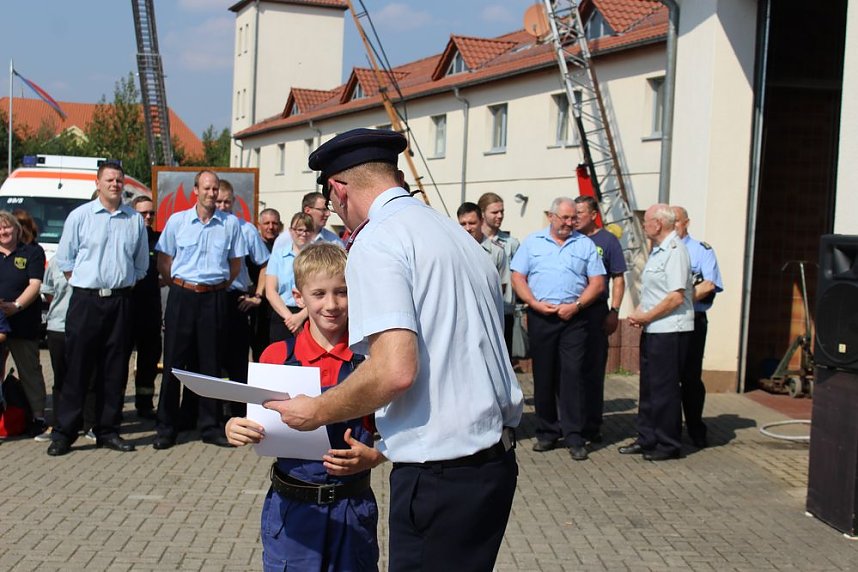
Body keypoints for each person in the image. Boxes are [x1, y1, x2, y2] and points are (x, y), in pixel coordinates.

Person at [265, 128, 523, 571]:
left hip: (440, 473)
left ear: (338, 190)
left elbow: (393, 370)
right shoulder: (453, 233)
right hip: (491, 463)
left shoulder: (379, 240)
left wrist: (318, 411)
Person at [226, 243, 382, 571]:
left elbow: (403, 428)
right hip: (293, 511)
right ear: (299, 297)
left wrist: (378, 456)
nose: (332, 304)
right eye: (319, 294)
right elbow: (256, 422)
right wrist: (235, 426)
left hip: (352, 509)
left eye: (342, 292)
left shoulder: (372, 358)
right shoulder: (276, 357)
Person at [48, 162, 149, 456]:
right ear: (97, 182)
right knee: (76, 368)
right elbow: (65, 261)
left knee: (114, 370)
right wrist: (86, 284)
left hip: (120, 302)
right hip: (86, 301)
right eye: (109, 179)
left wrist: (118, 285)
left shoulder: (133, 220)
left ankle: (107, 430)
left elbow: (141, 264)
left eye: (119, 180)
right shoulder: (80, 216)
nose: (115, 184)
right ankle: (64, 432)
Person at [154, 170, 247, 450]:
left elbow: (234, 265)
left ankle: (210, 426)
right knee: (173, 363)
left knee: (210, 364)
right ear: (196, 189)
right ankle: (166, 428)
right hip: (182, 296)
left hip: (214, 298)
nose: (211, 193)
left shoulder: (230, 224)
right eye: (206, 188)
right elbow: (164, 260)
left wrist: (214, 286)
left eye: (215, 189)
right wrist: (183, 285)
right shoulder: (177, 221)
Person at [511, 197, 605, 461]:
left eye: (573, 217)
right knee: (544, 375)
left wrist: (576, 305)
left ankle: (574, 435)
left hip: (574, 318)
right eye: (564, 217)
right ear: (551, 216)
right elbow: (517, 276)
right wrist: (533, 303)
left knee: (572, 375)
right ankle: (547, 432)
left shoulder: (585, 244)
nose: (569, 222)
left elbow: (597, 283)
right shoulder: (532, 243)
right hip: (542, 317)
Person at [618, 204, 693, 461]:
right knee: (649, 387)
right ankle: (647, 437)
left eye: (647, 220)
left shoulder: (675, 251)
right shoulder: (658, 250)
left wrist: (647, 316)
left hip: (670, 330)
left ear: (658, 224)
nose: (644, 225)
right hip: (654, 328)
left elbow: (675, 297)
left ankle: (667, 443)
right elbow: (654, 292)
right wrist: (641, 312)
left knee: (665, 389)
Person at [574, 195, 627, 442]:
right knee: (570, 371)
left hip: (596, 312)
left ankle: (592, 426)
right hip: (571, 312)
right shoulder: (570, 239)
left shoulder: (607, 241)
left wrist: (614, 311)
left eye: (580, 213)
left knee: (593, 372)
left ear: (593, 214)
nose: (574, 218)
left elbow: (618, 278)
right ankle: (570, 423)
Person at [216, 180, 270, 417]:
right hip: (210, 296)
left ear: (235, 202)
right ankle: (210, 411)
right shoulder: (206, 226)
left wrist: (257, 295)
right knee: (210, 357)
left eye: (228, 201)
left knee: (237, 359)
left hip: (236, 299)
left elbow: (265, 265)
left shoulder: (246, 229)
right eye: (219, 201)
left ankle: (238, 411)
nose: (223, 205)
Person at [672, 205, 723, 448]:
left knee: (690, 378)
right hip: (666, 322)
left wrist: (676, 301)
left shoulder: (701, 250)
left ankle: (695, 428)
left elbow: (709, 285)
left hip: (692, 320)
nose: (674, 226)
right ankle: (669, 429)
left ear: (686, 223)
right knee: (668, 378)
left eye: (677, 222)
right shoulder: (662, 250)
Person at [40, 257, 99, 442]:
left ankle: (90, 424)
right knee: (61, 378)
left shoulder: (93, 258)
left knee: (90, 376)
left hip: (87, 326)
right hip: (58, 326)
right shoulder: (56, 262)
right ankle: (60, 423)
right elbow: (49, 292)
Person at [0, 211, 47, 437]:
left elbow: (35, 284)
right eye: (0, 228)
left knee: (30, 371)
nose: (3, 232)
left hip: (23, 322)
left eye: (7, 227)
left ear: (17, 230)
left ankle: (38, 416)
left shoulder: (32, 252)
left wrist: (16, 305)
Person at [129, 195, 163, 419]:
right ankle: (114, 404)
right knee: (119, 360)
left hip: (151, 307)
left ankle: (144, 403)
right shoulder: (126, 238)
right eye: (143, 213)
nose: (148, 217)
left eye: (151, 213)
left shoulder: (159, 240)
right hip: (127, 307)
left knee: (149, 358)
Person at [479, 192, 520, 356]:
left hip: (504, 309)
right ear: (482, 213)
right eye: (494, 212)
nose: (500, 216)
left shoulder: (511, 243)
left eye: (502, 211)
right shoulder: (472, 241)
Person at [265, 213, 312, 343]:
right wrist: (290, 318)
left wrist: (301, 317)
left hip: (309, 314)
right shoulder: (278, 255)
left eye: (307, 230)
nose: (303, 233)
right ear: (291, 231)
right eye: (299, 229)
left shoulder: (317, 257)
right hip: (283, 316)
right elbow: (270, 291)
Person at [250, 208, 282, 361]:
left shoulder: (282, 246)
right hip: (256, 304)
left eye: (274, 223)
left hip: (275, 306)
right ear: (259, 225)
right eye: (267, 223)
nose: (271, 227)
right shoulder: (252, 247)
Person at [457, 201, 509, 290]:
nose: (467, 228)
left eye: (472, 223)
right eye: (463, 224)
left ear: (481, 221)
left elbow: (502, 286)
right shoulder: (455, 249)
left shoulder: (497, 251)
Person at [272, 192, 344, 251]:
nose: (328, 214)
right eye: (323, 210)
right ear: (307, 210)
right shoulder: (285, 239)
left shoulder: (334, 241)